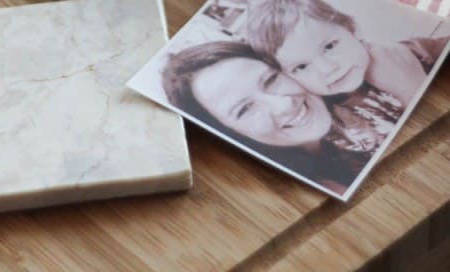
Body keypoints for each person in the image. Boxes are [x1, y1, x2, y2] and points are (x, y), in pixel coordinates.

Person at [161, 40, 385, 194]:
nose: (283, 105)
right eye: (245, 109)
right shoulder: (311, 188)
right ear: (227, 132)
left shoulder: (361, 91)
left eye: (271, 80)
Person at [246, 0, 447, 110]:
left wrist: (410, 84)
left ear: (353, 30)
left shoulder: (417, 51)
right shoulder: (328, 114)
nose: (327, 69)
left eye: (330, 46)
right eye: (300, 66)